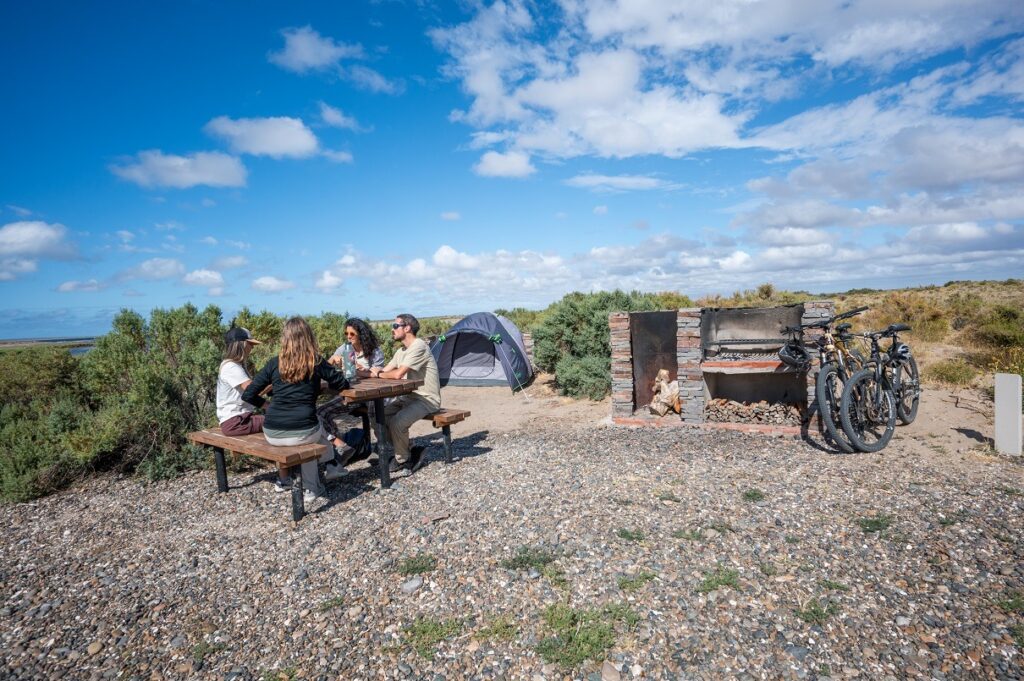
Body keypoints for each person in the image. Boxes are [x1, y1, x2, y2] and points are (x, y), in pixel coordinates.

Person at [242, 317, 349, 503]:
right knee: (311, 429)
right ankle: (315, 485)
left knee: (309, 428)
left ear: (285, 339)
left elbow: (248, 395)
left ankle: (330, 468)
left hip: (272, 432)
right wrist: (322, 382)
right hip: (303, 431)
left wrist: (266, 406)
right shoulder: (315, 361)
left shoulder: (274, 363)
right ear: (308, 337)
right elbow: (342, 383)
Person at [368, 313, 441, 473]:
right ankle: (407, 449)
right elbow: (384, 370)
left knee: (397, 422)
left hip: (426, 399)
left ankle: (402, 459)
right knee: (377, 417)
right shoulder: (401, 351)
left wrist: (379, 374)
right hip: (407, 397)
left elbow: (397, 374)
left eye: (395, 326)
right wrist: (368, 371)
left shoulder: (418, 346)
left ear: (407, 328)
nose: (392, 330)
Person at [317, 318, 386, 458]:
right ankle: (341, 446)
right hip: (350, 395)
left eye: (352, 334)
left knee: (375, 413)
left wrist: (358, 370)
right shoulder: (345, 348)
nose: (349, 337)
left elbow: (377, 375)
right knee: (321, 413)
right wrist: (333, 361)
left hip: (370, 395)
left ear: (361, 334)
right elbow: (326, 366)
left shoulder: (374, 351)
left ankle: (384, 448)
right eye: (346, 333)